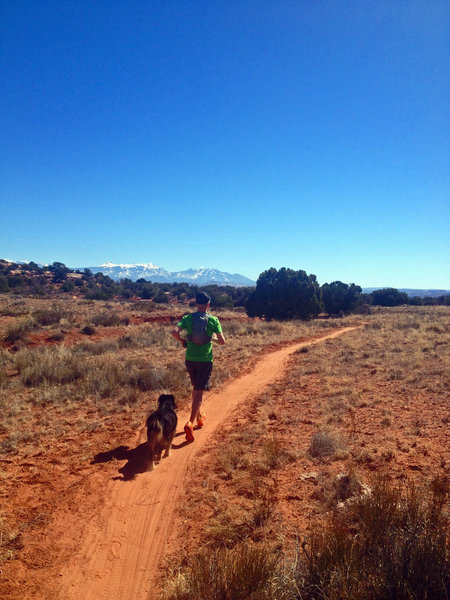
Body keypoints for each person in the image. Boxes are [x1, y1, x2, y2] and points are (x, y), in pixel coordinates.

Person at [172, 292, 225, 442]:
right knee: (199, 393)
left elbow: (174, 332)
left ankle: (199, 417)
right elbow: (222, 341)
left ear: (196, 304)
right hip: (205, 360)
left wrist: (182, 341)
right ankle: (190, 422)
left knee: (195, 388)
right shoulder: (213, 320)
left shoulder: (188, 318)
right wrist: (213, 338)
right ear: (208, 305)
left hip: (190, 359)